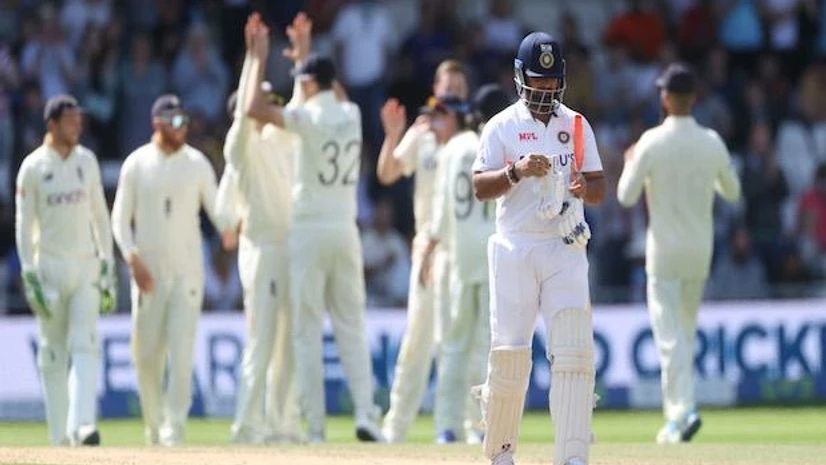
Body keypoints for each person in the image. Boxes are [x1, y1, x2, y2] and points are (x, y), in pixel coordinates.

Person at [241, 12, 383, 443]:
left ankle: (317, 428)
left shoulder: (304, 119)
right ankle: (366, 415)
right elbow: (332, 89)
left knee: (305, 329)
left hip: (308, 229)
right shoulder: (353, 113)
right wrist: (306, 56)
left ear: (305, 84)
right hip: (345, 228)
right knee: (351, 325)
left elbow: (251, 109)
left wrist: (260, 58)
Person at [472, 32, 605, 465]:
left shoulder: (577, 125)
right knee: (510, 352)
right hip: (515, 247)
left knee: (573, 354)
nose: (544, 92)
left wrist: (586, 186)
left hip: (564, 247)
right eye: (536, 83)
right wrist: (516, 172)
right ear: (519, 78)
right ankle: (501, 453)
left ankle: (573, 456)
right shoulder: (502, 126)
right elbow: (479, 187)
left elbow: (599, 185)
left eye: (550, 84)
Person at [617, 63, 741, 444]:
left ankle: (680, 414)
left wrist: (630, 162)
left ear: (666, 98)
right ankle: (681, 410)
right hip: (699, 253)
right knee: (682, 335)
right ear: (694, 99)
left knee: (670, 338)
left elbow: (625, 196)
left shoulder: (651, 142)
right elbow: (732, 193)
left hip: (664, 255)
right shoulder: (711, 141)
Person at [111, 94, 235, 446]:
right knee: (147, 356)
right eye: (174, 121)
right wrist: (132, 258)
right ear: (157, 123)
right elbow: (119, 218)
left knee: (182, 353)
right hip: (148, 277)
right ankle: (153, 425)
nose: (181, 127)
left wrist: (231, 227)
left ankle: (174, 426)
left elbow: (217, 210)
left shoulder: (196, 163)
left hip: (187, 275)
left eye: (184, 121)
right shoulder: (136, 164)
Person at [220, 12, 310, 445]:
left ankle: (284, 423)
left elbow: (301, 109)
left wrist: (301, 59)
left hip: (291, 247)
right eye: (262, 99)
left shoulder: (284, 137)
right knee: (261, 340)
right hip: (261, 248)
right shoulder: (242, 147)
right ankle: (247, 425)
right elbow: (242, 116)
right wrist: (254, 59)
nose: (269, 106)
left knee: (290, 340)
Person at [375, 59, 470, 443]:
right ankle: (396, 426)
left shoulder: (473, 134)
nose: (452, 97)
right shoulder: (423, 132)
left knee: (458, 340)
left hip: (463, 250)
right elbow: (387, 173)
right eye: (447, 90)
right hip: (427, 249)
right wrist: (391, 135)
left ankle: (462, 425)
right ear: (435, 88)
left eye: (459, 91)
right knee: (417, 338)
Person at [15, 94, 116, 446]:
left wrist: (108, 265)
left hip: (85, 265)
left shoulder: (86, 162)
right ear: (52, 124)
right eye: (71, 120)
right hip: (50, 268)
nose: (78, 126)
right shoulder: (33, 167)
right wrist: (29, 274)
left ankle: (82, 425)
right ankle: (59, 438)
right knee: (53, 352)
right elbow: (24, 226)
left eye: (79, 120)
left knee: (86, 344)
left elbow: (100, 216)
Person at [422, 85, 511, 444]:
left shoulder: (454, 148)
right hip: (493, 253)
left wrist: (430, 249)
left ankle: (447, 426)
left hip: (459, 257)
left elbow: (442, 212)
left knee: (454, 346)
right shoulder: (502, 145)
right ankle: (481, 426)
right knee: (488, 345)